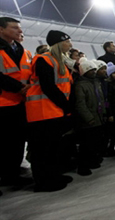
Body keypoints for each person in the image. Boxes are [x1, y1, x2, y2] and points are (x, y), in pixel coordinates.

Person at [26, 30, 73, 192]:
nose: (70, 44)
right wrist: (66, 106)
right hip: (42, 111)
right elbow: (49, 87)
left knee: (53, 148)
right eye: (67, 41)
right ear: (59, 43)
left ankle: (54, 175)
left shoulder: (59, 61)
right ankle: (43, 182)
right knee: (42, 150)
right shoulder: (43, 60)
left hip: (54, 110)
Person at [0, 17, 33, 189]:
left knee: (17, 141)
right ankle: (7, 175)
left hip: (21, 102)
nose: (20, 31)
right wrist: (19, 87)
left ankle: (12, 173)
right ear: (1, 30)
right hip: (3, 103)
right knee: (6, 142)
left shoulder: (21, 50)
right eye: (14, 28)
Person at [74, 58, 106, 176]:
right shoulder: (80, 86)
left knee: (95, 143)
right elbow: (80, 104)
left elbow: (102, 99)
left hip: (98, 117)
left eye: (94, 70)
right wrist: (89, 118)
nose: (93, 72)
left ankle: (93, 160)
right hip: (88, 121)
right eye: (90, 70)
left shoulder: (96, 83)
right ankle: (83, 166)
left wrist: (105, 112)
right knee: (86, 145)